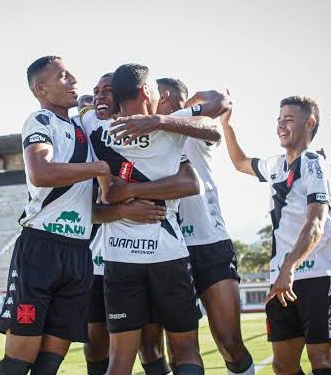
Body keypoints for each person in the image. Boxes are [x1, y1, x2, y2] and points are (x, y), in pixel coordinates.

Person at [85, 63, 227, 375]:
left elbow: (105, 197)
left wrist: (124, 195)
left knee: (120, 361)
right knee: (186, 350)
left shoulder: (92, 127)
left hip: (119, 257)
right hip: (168, 253)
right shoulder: (169, 125)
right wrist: (162, 120)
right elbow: (214, 127)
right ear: (144, 91)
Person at [0, 56, 110, 375]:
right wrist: (97, 168)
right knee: (16, 365)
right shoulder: (40, 121)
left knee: (49, 365)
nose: (73, 80)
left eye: (71, 74)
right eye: (63, 76)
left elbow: (89, 205)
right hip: (41, 249)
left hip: (78, 255)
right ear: (40, 88)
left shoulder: (83, 130)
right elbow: (41, 172)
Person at [221, 96, 331, 375]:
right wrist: (226, 125)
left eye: (288, 119)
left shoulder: (315, 165)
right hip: (282, 279)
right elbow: (240, 162)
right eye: (279, 119)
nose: (280, 125)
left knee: (321, 359)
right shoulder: (276, 165)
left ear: (309, 123)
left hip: (317, 275)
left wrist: (290, 265)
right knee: (283, 365)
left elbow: (316, 224)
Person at [147, 77, 254, 375]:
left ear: (164, 95)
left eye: (154, 92)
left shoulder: (195, 126)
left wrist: (187, 104)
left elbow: (220, 97)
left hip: (209, 244)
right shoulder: (148, 133)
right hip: (168, 249)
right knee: (179, 350)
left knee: (230, 343)